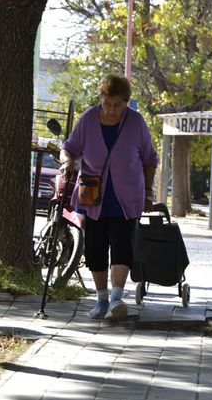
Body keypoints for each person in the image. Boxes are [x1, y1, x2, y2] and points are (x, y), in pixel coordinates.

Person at [60, 74, 159, 320]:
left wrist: (148, 192)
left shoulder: (135, 122)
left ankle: (116, 299)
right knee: (95, 249)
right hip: (93, 198)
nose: (112, 110)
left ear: (126, 102)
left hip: (127, 198)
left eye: (118, 105)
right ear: (101, 99)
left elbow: (150, 160)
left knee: (122, 247)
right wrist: (67, 162)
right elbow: (69, 148)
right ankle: (101, 300)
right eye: (107, 104)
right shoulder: (88, 119)